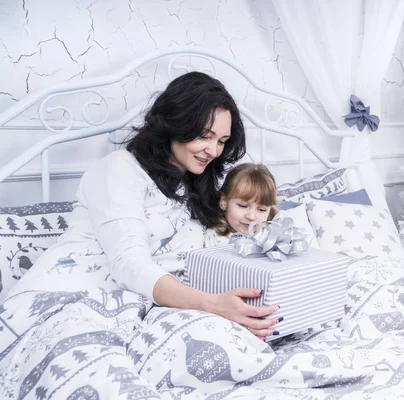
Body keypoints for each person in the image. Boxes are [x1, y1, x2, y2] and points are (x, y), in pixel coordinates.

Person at [20, 72, 282, 339]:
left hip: (159, 307)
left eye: (221, 142)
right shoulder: (119, 170)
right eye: (205, 136)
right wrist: (214, 305)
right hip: (71, 295)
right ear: (176, 124)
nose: (214, 151)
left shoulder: (198, 188)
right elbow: (129, 264)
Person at [203, 163, 278, 248]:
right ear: (224, 202)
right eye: (243, 206)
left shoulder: (271, 237)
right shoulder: (215, 237)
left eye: (261, 210)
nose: (251, 217)